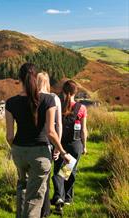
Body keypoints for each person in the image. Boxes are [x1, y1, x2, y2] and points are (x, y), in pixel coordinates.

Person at [5, 63, 72, 218]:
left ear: (19, 78)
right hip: (40, 154)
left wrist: (15, 149)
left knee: (22, 187)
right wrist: (62, 152)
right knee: (34, 197)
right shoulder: (48, 100)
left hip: (19, 152)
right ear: (36, 77)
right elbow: (51, 132)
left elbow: (9, 136)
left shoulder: (10, 103)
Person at [51, 80, 88, 213]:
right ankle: (65, 198)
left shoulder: (57, 106)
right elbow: (83, 130)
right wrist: (84, 145)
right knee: (68, 171)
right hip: (75, 144)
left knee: (59, 172)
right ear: (75, 92)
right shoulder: (82, 108)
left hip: (59, 144)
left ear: (64, 91)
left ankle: (60, 197)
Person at [37, 72, 62, 218]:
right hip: (50, 140)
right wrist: (58, 146)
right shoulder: (53, 98)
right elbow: (58, 123)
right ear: (47, 82)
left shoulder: (31, 96)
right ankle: (44, 211)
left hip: (34, 139)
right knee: (46, 176)